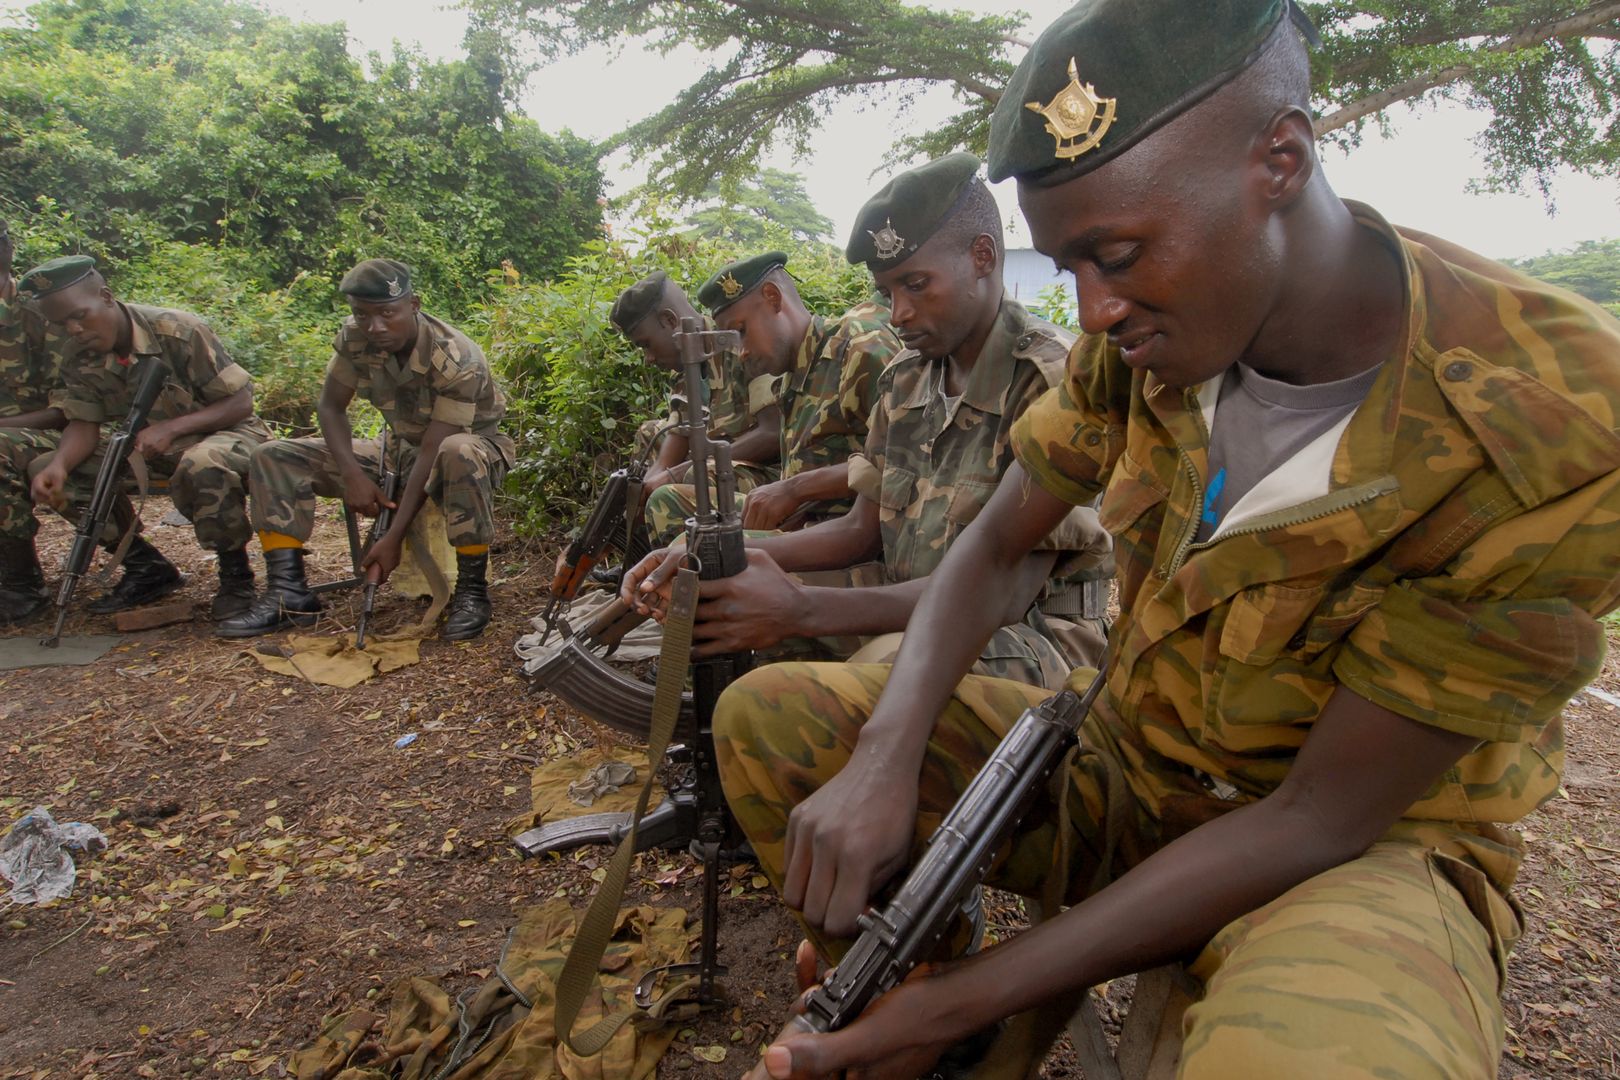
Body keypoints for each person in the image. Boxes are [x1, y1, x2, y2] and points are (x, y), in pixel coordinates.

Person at [717, 2, 1620, 1078]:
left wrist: (982, 995)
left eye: (1116, 254)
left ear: (1278, 158)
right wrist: (882, 759)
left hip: (1361, 851)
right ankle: (909, 1007)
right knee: (777, 722)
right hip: (1130, 763)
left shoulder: (1554, 429)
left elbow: (1320, 815)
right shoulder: (1147, 329)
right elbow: (1000, 543)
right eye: (1070, 266)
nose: (1091, 310)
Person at [622, 154, 1111, 688]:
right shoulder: (906, 380)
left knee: (875, 668)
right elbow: (858, 532)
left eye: (917, 285)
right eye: (888, 293)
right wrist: (710, 548)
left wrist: (802, 608)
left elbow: (1004, 591)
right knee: (733, 606)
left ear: (982, 256)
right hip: (907, 594)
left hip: (1030, 633)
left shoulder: (1054, 378)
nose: (898, 312)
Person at [219, 259, 514, 641]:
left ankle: (472, 593)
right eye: (362, 314)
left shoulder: (457, 357)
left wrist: (389, 538)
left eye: (387, 313)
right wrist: (354, 476)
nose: (375, 327)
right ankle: (287, 593)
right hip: (397, 450)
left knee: (459, 451)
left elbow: (433, 449)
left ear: (414, 305)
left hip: (465, 451)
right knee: (273, 455)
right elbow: (330, 407)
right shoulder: (355, 339)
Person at [21, 256, 271, 620]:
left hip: (228, 435)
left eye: (80, 316)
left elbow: (240, 402)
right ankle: (145, 566)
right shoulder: (77, 355)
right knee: (48, 465)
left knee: (202, 462)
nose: (73, 330)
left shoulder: (178, 330)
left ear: (106, 296)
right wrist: (59, 465)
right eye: (61, 324)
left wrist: (173, 428)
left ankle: (236, 577)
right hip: (145, 448)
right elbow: (83, 422)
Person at [641, 252, 900, 543]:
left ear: (773, 298)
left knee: (694, 552)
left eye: (741, 331)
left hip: (850, 536)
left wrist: (797, 489)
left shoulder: (858, 348)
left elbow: (904, 463)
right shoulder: (791, 376)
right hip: (801, 524)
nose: (741, 352)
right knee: (675, 513)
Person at [611, 269, 781, 515]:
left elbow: (773, 432)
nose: (648, 358)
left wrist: (677, 474)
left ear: (670, 321)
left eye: (646, 344)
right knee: (650, 434)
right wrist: (641, 491)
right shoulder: (685, 366)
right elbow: (676, 443)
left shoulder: (739, 343)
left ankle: (687, 548)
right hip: (719, 460)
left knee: (695, 476)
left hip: (769, 474)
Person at [0, 222, 73, 624]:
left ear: (7, 250)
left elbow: (68, 407)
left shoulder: (40, 313)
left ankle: (22, 583)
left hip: (58, 430)